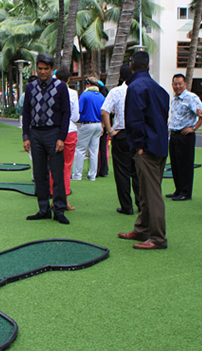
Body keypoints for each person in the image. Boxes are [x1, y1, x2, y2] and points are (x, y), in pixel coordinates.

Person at [118, 51, 170, 250]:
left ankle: (157, 238)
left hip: (146, 147)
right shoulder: (160, 89)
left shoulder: (136, 87)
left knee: (152, 193)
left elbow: (135, 119)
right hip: (158, 145)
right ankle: (141, 229)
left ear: (131, 66)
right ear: (147, 66)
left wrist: (138, 145)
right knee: (148, 191)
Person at [23, 53, 71, 225]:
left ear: (52, 69)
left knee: (57, 174)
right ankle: (43, 209)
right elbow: (26, 113)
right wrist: (26, 137)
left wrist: (61, 138)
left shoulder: (60, 87)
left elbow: (66, 113)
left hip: (54, 133)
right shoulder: (30, 87)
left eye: (46, 69)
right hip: (35, 134)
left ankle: (59, 210)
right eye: (40, 68)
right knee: (39, 173)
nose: (43, 72)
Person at [102, 64, 140, 215]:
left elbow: (105, 111)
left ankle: (126, 206)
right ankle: (141, 204)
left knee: (122, 172)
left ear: (121, 77)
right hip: (137, 135)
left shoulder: (116, 91)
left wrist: (110, 131)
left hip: (121, 134)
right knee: (138, 172)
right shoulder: (140, 89)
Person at [166, 73, 202, 201]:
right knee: (175, 164)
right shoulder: (174, 99)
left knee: (185, 165)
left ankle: (186, 192)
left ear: (185, 84)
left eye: (180, 84)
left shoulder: (191, 97)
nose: (177, 86)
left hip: (186, 135)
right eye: (175, 84)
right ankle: (178, 190)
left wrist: (194, 128)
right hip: (174, 134)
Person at [53, 66, 79, 210]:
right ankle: (65, 200)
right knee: (66, 166)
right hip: (69, 131)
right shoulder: (73, 93)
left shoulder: (52, 90)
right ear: (69, 79)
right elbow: (75, 116)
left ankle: (53, 198)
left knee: (53, 166)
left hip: (54, 132)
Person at [72, 77, 105, 181]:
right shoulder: (101, 96)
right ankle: (92, 175)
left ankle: (77, 175)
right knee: (94, 150)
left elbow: (79, 110)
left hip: (87, 124)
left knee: (80, 149)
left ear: (88, 84)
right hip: (98, 125)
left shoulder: (85, 95)